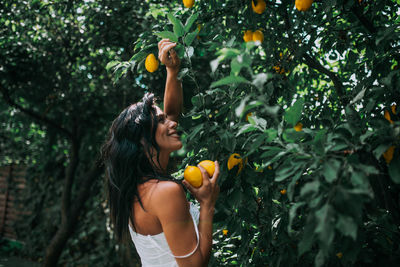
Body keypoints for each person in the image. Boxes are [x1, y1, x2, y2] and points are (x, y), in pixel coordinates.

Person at [101, 39, 220, 267]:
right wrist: (207, 204)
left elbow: (173, 114)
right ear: (144, 140)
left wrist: (172, 71)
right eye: (161, 121)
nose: (172, 123)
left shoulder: (137, 188)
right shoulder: (165, 192)